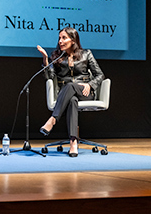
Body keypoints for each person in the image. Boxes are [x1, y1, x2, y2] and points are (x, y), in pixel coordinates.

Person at [37, 27, 105, 157]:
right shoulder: (57, 56)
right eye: (59, 38)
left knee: (71, 86)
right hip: (67, 94)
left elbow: (100, 75)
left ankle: (53, 119)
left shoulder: (86, 54)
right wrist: (45, 59)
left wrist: (90, 85)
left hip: (85, 93)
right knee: (72, 99)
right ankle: (73, 143)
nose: (60, 41)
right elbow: (49, 77)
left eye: (64, 38)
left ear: (73, 40)